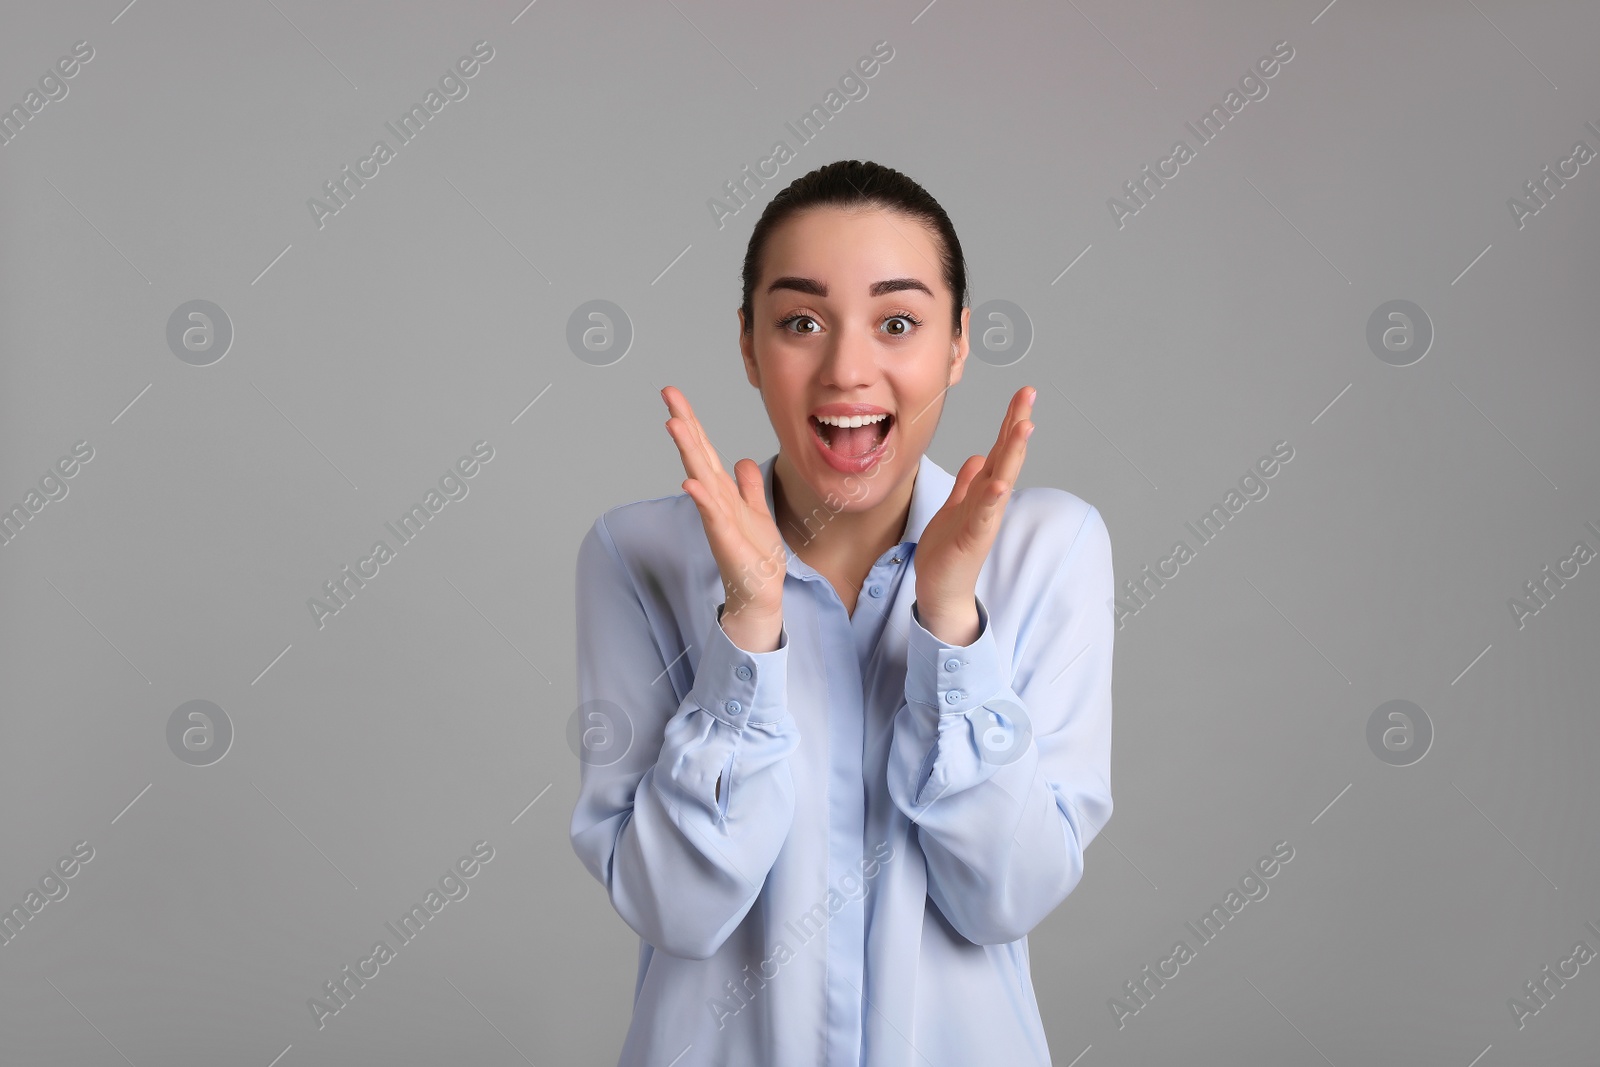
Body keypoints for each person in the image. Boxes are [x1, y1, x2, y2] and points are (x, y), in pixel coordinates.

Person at [570, 159, 1115, 1066]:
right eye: (801, 322)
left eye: (898, 322)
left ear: (956, 345)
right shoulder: (640, 557)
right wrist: (747, 625)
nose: (847, 369)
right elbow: (678, 909)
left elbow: (1005, 896)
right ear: (749, 344)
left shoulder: (1049, 548)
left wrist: (949, 622)